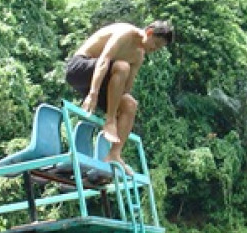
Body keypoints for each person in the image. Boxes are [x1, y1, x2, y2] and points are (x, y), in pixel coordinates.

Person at [65, 20, 174, 173]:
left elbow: (125, 89)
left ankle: (114, 154)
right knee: (122, 66)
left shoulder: (138, 56)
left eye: (158, 49)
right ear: (149, 32)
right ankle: (109, 122)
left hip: (103, 81)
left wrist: (119, 111)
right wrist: (93, 94)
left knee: (130, 104)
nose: (154, 49)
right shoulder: (125, 33)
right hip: (79, 69)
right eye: (155, 44)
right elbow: (103, 61)